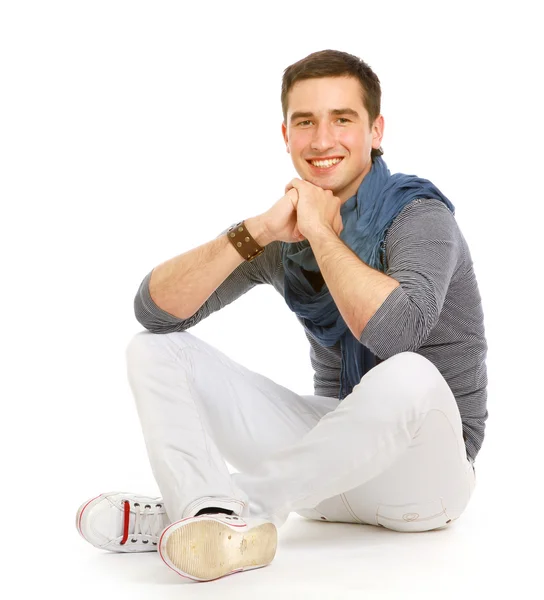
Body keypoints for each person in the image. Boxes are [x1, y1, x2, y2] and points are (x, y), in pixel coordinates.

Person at [75, 49, 488, 583]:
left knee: (408, 372)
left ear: (375, 130)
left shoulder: (421, 218)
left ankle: (223, 506)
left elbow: (394, 332)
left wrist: (320, 231)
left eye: (343, 120)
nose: (321, 140)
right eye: (305, 122)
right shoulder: (281, 236)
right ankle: (208, 514)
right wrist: (259, 232)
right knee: (152, 348)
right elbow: (154, 311)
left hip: (425, 481)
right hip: (324, 474)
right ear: (285, 134)